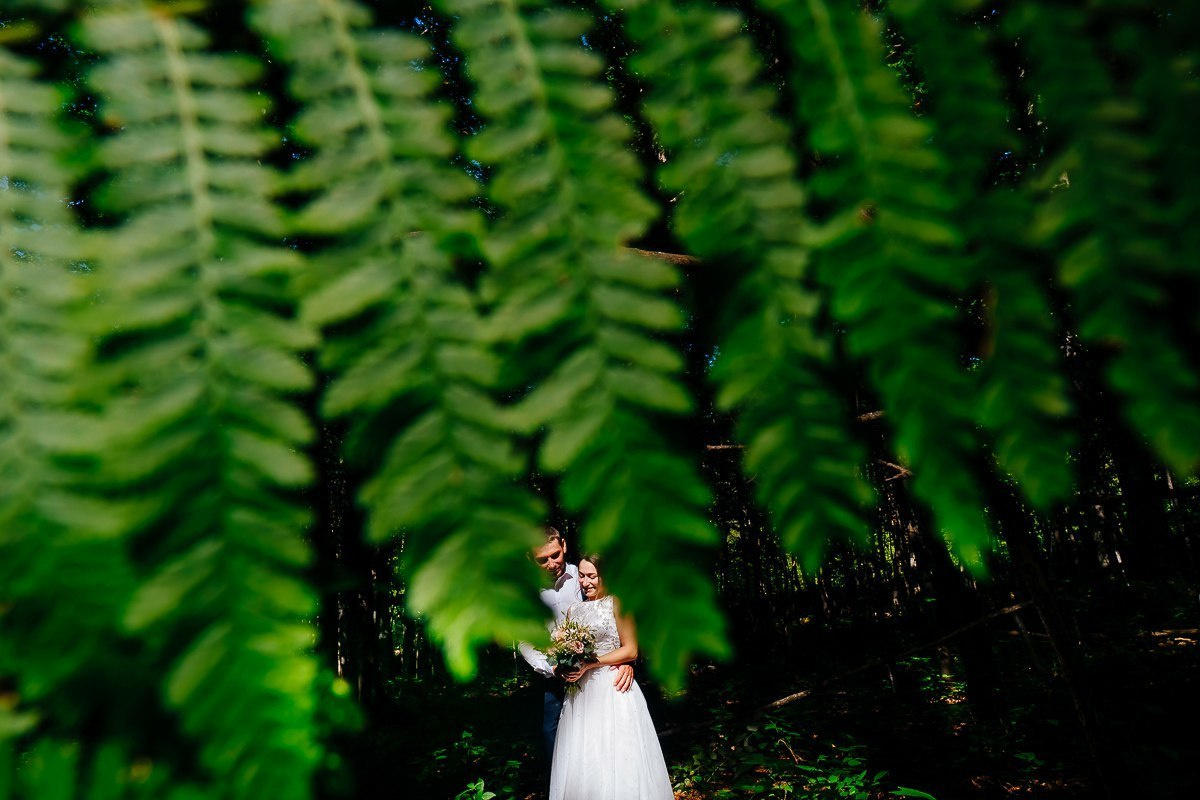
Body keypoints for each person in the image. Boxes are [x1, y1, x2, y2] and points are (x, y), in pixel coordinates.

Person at [548, 554, 674, 800]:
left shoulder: (617, 603)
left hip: (612, 686)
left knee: (616, 753)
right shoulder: (574, 610)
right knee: (585, 755)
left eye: (592, 576)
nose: (585, 582)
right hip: (581, 693)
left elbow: (631, 649)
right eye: (581, 576)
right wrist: (568, 666)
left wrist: (589, 664)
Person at [519, 530, 633, 758]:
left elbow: (614, 621)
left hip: (600, 674)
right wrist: (551, 668)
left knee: (603, 732)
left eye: (556, 555)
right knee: (553, 734)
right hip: (554, 675)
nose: (552, 564)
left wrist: (627, 661)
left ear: (564, 545)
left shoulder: (587, 574)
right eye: (543, 560)